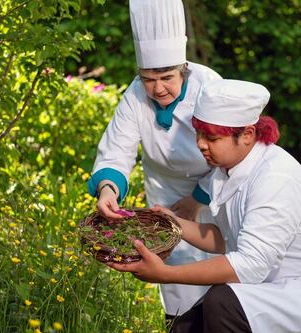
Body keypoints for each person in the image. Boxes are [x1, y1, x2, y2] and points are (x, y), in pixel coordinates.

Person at [108, 79, 301, 333]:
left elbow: (249, 264)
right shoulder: (225, 171)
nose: (200, 143)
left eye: (211, 137)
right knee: (185, 327)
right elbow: (227, 237)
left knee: (222, 302)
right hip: (282, 290)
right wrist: (173, 224)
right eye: (199, 133)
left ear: (247, 135)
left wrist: (165, 274)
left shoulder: (274, 178)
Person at [88, 0, 221, 319]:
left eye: (166, 77)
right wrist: (108, 189)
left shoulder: (210, 87)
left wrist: (197, 200)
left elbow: (230, 156)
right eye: (149, 78)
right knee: (179, 289)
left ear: (183, 68)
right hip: (167, 196)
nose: (157, 88)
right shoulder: (135, 95)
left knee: (226, 277)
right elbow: (117, 149)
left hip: (216, 191)